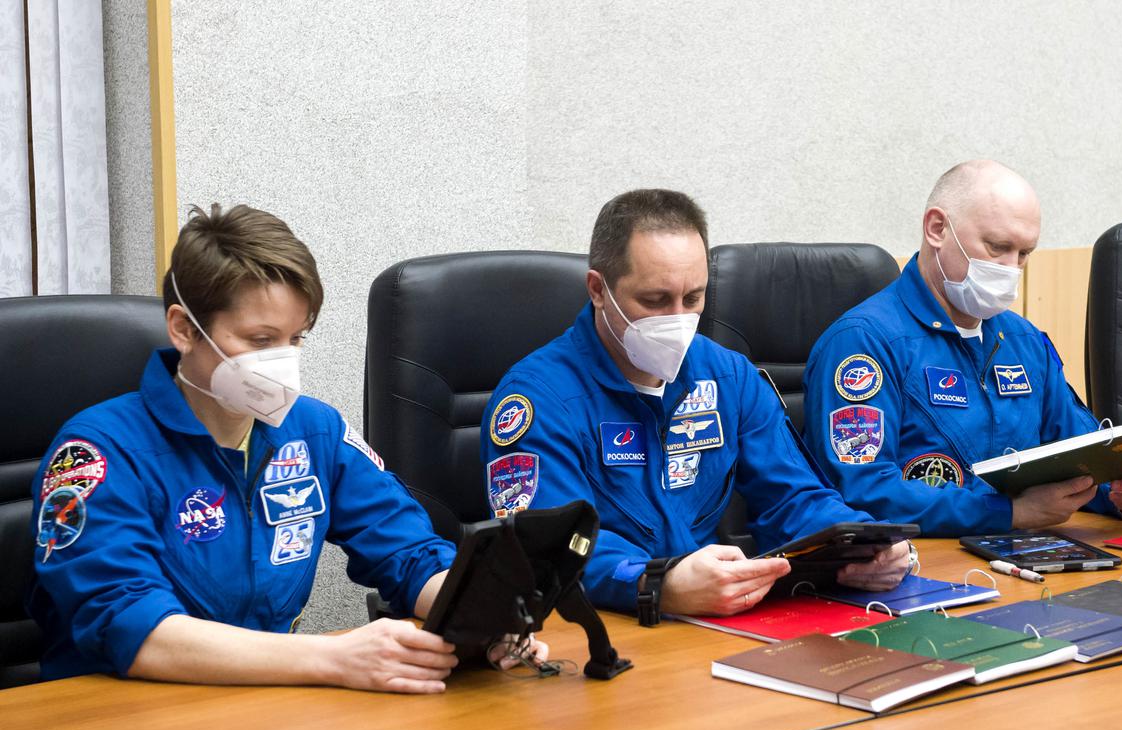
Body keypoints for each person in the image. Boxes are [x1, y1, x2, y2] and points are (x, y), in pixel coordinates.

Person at [27, 204, 544, 692]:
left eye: (296, 338)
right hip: (118, 717)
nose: (283, 360)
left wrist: (478, 613)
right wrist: (335, 659)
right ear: (184, 329)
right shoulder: (98, 452)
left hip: (264, 703)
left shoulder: (314, 430)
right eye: (259, 340)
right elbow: (130, 627)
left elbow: (408, 552)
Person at [480, 189, 911, 622]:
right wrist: (657, 582)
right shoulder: (536, 399)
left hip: (711, 617)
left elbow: (793, 497)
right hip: (601, 623)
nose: (678, 319)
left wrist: (863, 543)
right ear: (598, 290)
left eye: (693, 299)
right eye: (654, 301)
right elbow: (549, 549)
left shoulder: (729, 376)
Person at [803, 160, 1122, 536]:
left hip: (1028, 553)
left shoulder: (1024, 341)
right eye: (997, 248)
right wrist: (1008, 513)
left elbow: (1079, 451)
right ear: (937, 229)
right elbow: (861, 488)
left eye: (1024, 254)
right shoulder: (863, 342)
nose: (1011, 269)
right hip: (917, 565)